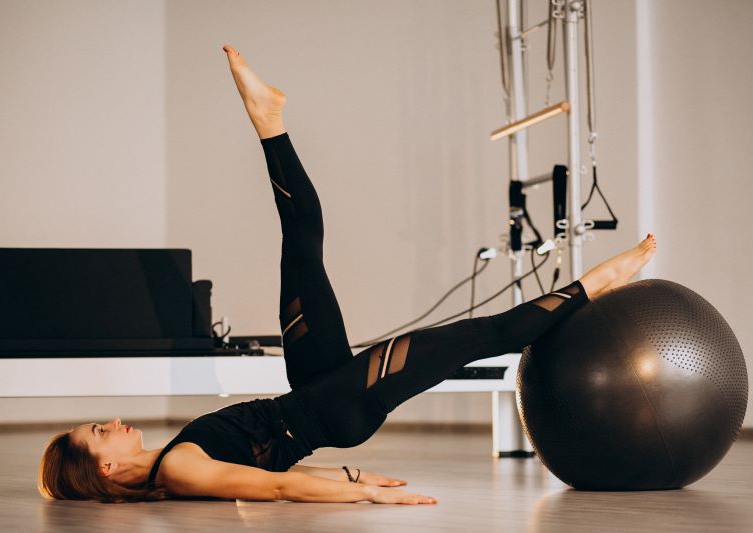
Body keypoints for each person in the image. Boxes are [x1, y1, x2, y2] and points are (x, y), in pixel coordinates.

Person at [38, 45, 657, 505]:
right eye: (101, 433)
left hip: (312, 387)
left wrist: (353, 477)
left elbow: (278, 475)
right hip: (338, 408)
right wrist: (370, 495)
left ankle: (268, 121)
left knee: (301, 243)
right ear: (107, 471)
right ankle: (598, 282)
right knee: (482, 336)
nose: (114, 422)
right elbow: (275, 489)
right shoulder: (178, 471)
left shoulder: (174, 461)